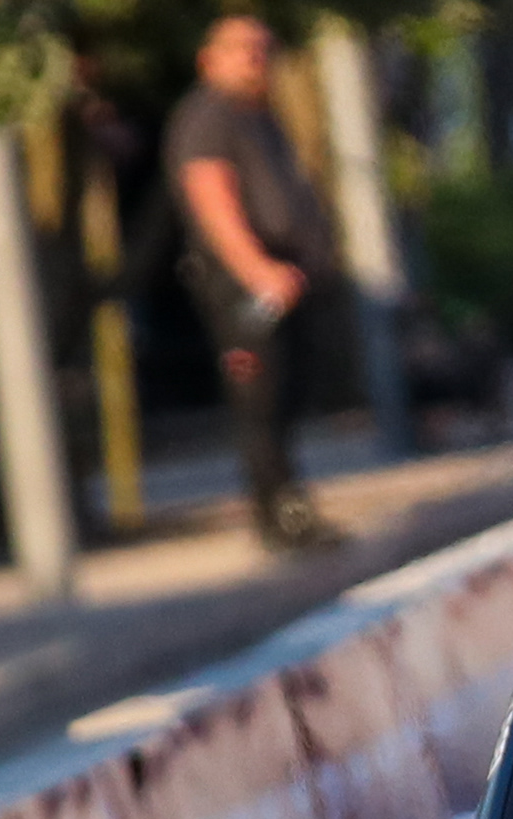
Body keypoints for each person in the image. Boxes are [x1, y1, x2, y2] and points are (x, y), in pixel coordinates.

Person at [167, 14, 341, 552]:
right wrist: (258, 271)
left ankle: (291, 507)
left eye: (262, 48)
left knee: (285, 394)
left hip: (282, 278)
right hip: (243, 286)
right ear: (209, 58)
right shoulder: (207, 116)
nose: (255, 58)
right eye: (241, 48)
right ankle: (278, 517)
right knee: (259, 396)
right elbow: (211, 200)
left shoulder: (259, 116)